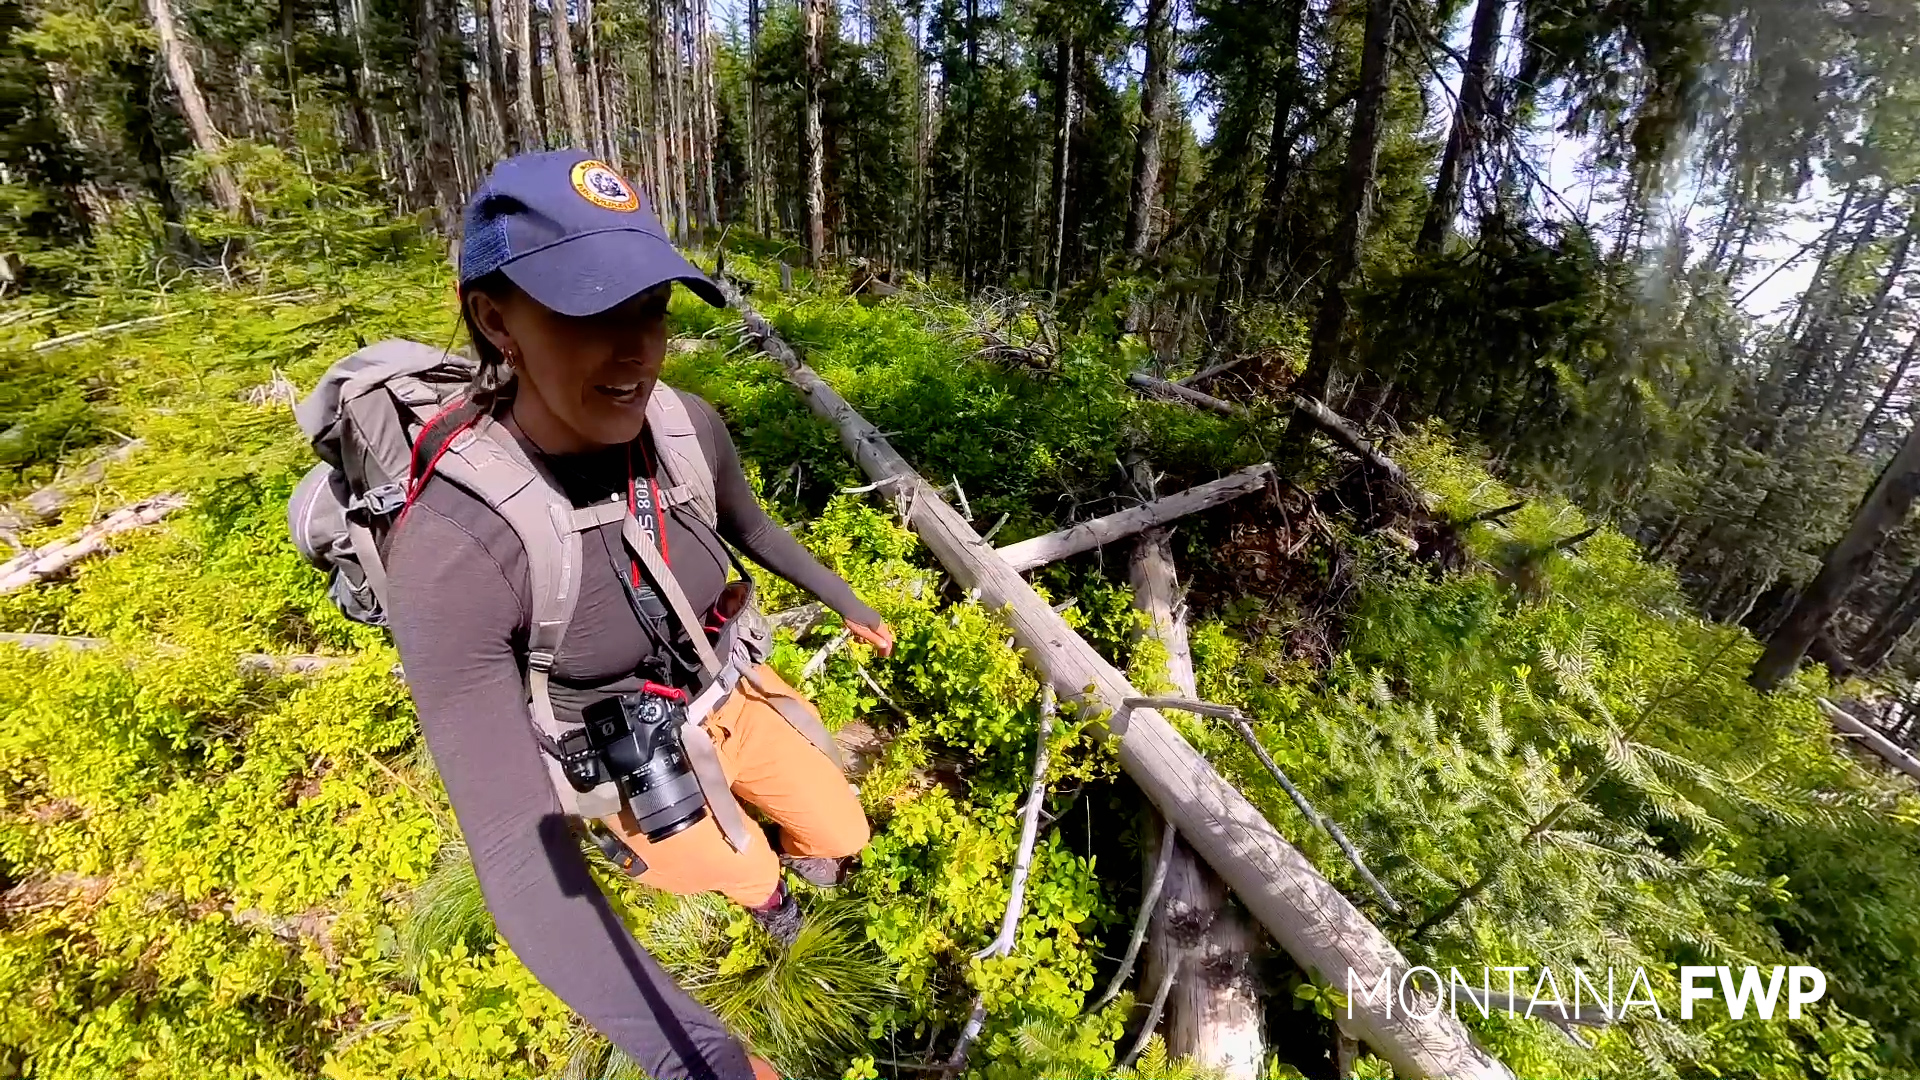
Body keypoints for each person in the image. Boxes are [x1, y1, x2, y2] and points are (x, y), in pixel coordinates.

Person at [383, 149, 892, 1080]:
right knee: (747, 872)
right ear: (497, 321)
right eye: (588, 314)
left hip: (727, 693)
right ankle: (770, 908)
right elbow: (516, 856)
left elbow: (749, 522)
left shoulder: (687, 426)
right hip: (629, 760)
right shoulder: (455, 550)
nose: (636, 352)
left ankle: (785, 879)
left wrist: (847, 600)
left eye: (650, 310)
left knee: (844, 830)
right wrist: (699, 1057)